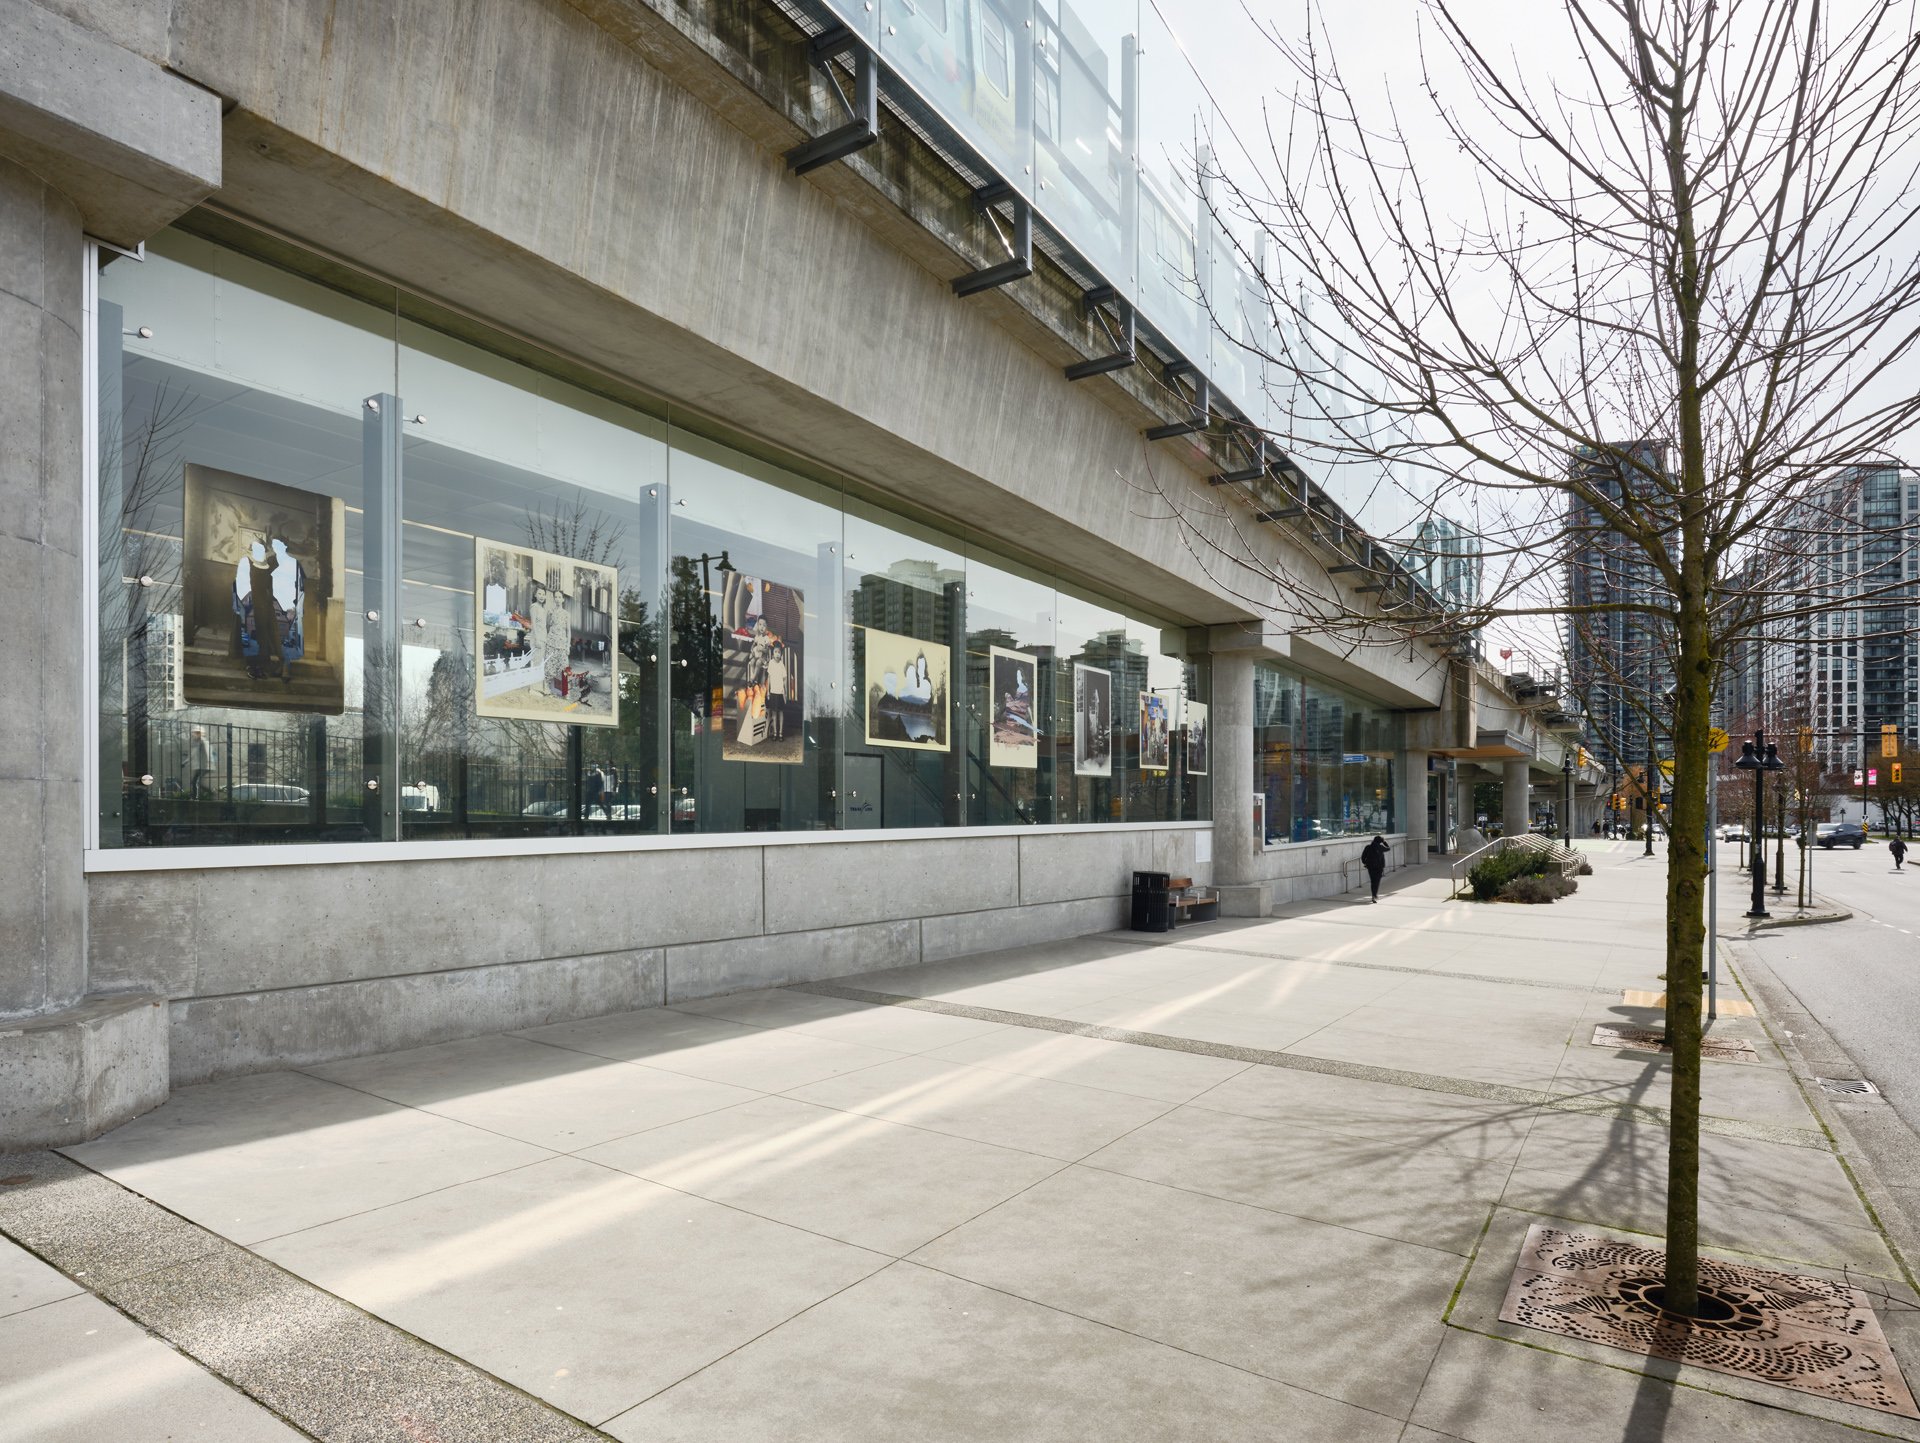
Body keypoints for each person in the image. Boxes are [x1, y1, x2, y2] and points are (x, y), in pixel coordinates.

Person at [184, 726, 212, 800]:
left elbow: (207, 754)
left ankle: (195, 797)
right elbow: (192, 755)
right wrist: (185, 763)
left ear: (201, 734)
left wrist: (207, 764)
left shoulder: (203, 742)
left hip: (203, 766)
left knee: (195, 782)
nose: (195, 734)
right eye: (194, 733)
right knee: (195, 782)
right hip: (198, 766)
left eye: (197, 733)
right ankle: (208, 793)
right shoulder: (194, 743)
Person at [1361, 833, 1389, 903]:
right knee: (1376, 881)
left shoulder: (1368, 847)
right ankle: (1374, 895)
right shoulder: (1381, 847)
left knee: (1373, 881)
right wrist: (1384, 842)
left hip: (1370, 867)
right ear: (1380, 841)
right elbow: (1388, 848)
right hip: (1379, 867)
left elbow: (1363, 857)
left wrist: (1365, 863)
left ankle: (1374, 895)